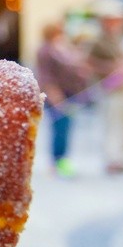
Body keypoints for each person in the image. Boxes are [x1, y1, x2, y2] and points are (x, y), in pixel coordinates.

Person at [34, 19, 91, 178]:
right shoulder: (45, 51)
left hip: (69, 95)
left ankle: (62, 160)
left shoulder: (60, 49)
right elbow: (46, 78)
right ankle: (58, 161)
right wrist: (56, 97)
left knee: (66, 128)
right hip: (57, 97)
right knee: (59, 128)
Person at [87, 0, 123, 174]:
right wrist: (112, 68)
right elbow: (90, 63)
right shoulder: (98, 41)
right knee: (112, 123)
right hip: (110, 89)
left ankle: (120, 158)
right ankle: (112, 159)